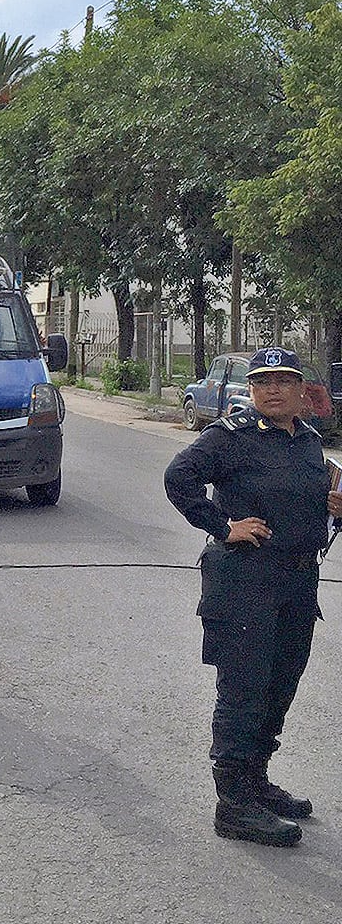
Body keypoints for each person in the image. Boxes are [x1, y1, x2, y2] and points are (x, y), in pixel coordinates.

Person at [163, 346, 341, 848]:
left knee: (280, 687)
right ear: (252, 389)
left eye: (283, 380)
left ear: (302, 390)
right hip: (244, 583)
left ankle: (256, 781)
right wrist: (223, 526)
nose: (272, 390)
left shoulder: (308, 442)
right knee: (243, 691)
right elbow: (178, 479)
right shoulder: (231, 435)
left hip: (298, 584)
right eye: (262, 382)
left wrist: (335, 508)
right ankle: (234, 806)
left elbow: (309, 505)